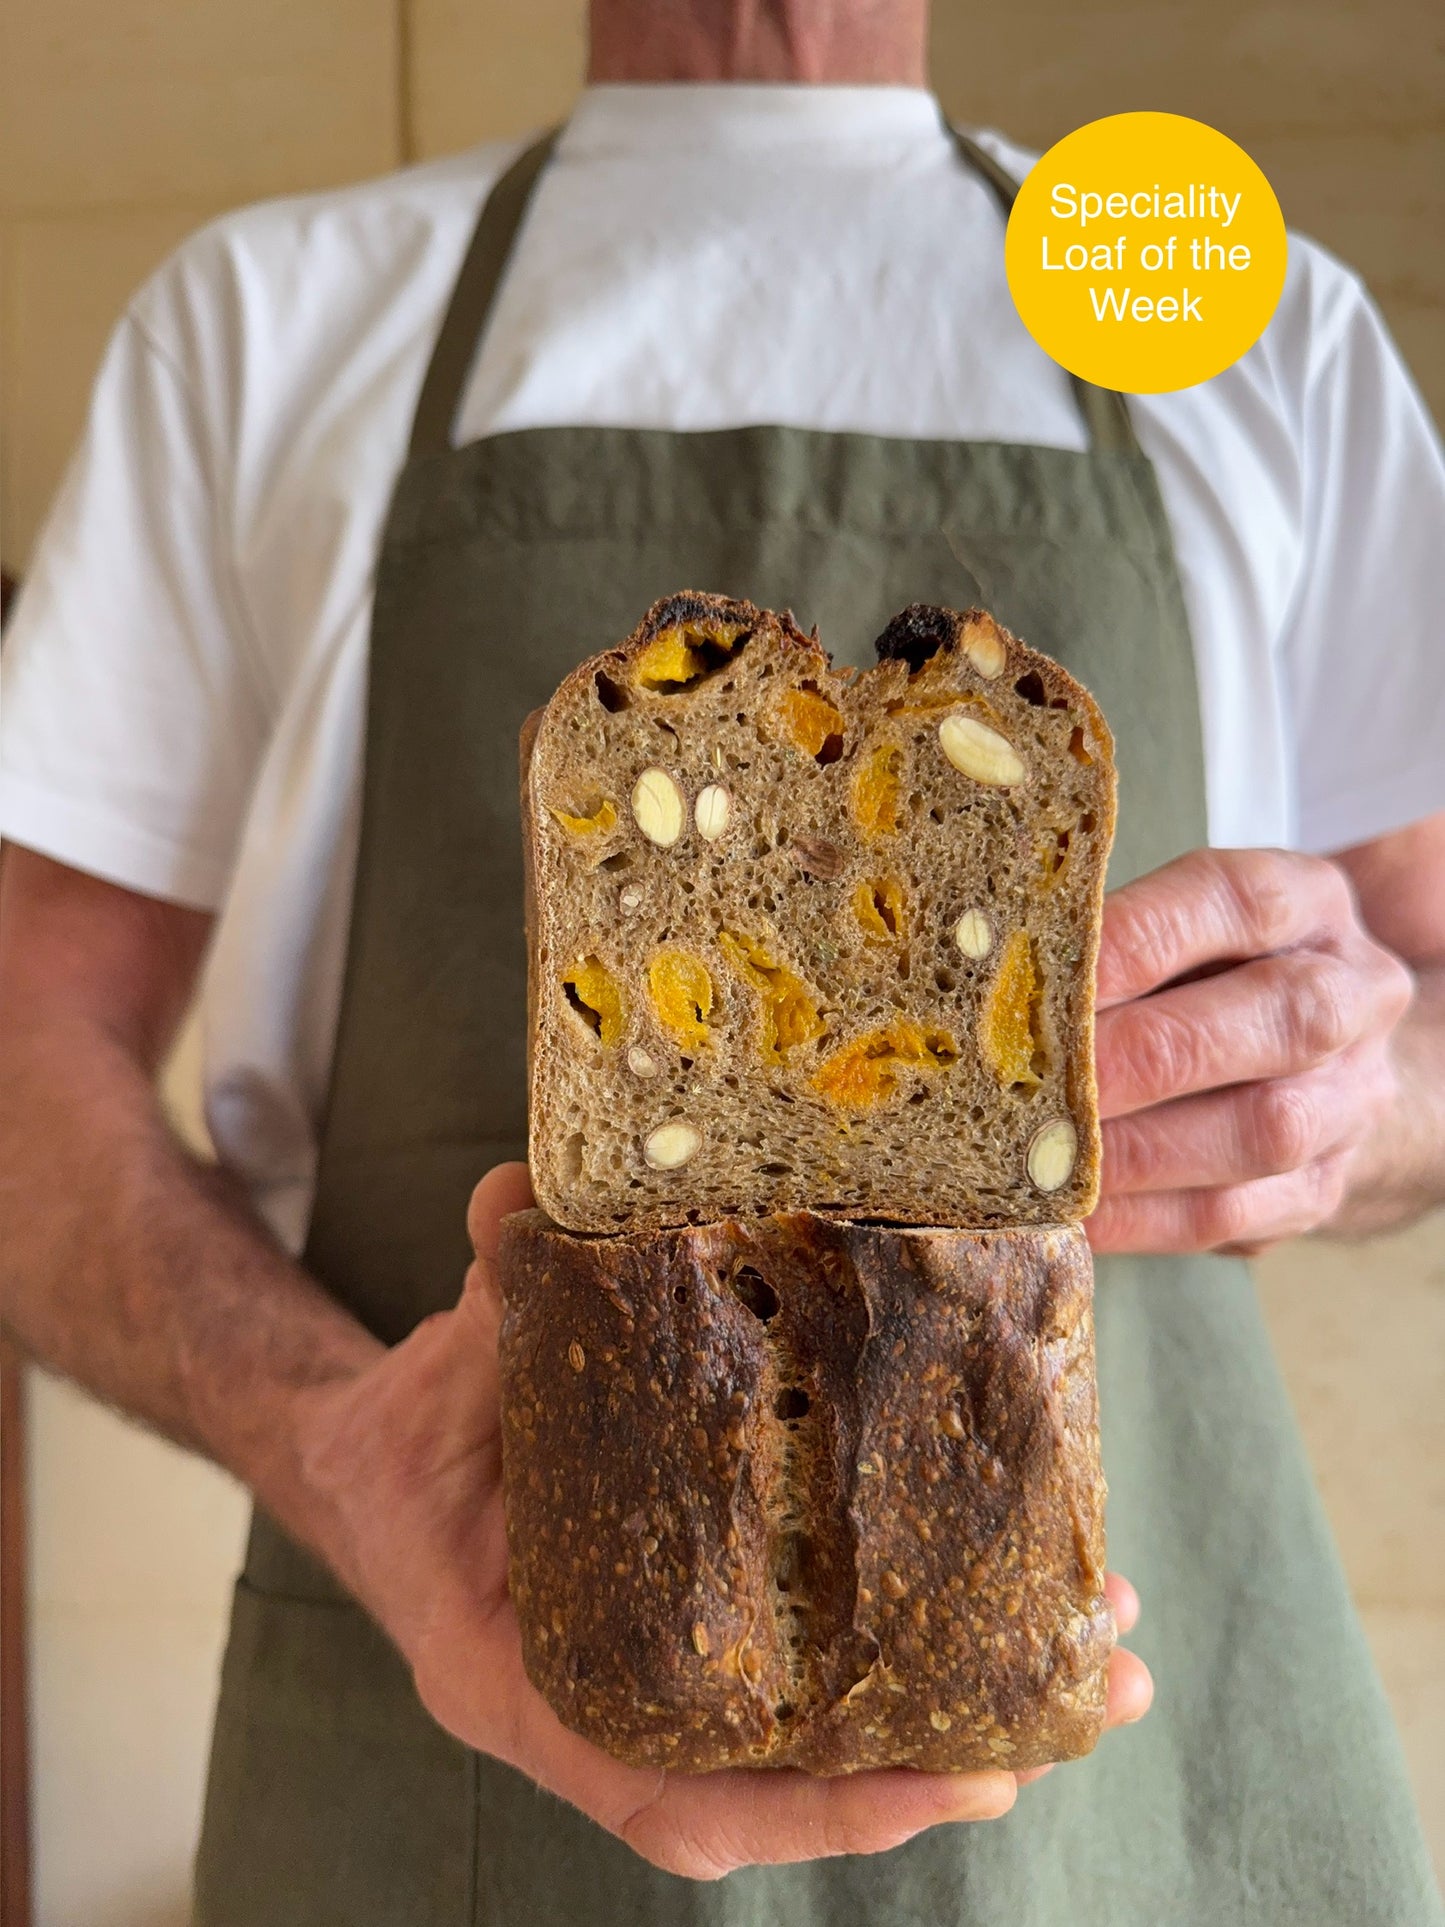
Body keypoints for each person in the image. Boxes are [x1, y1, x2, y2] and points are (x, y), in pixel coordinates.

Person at [1, 1, 1442, 1921]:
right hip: (449, 1711)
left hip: (1136, 1794)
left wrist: (1365, 1083)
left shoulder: (1226, 311)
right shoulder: (269, 316)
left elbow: (1429, 995)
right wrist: (332, 1447)